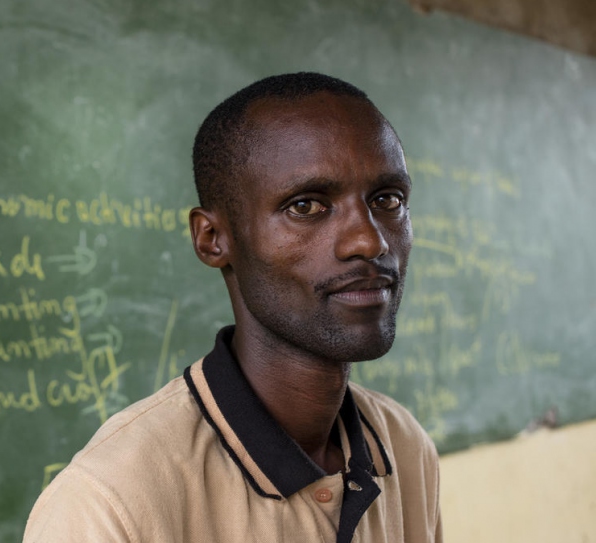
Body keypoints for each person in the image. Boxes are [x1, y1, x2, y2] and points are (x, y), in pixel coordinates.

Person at [23, 72, 441, 543]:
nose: (370, 239)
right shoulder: (111, 501)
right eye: (306, 206)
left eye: (388, 199)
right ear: (212, 239)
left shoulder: (403, 447)